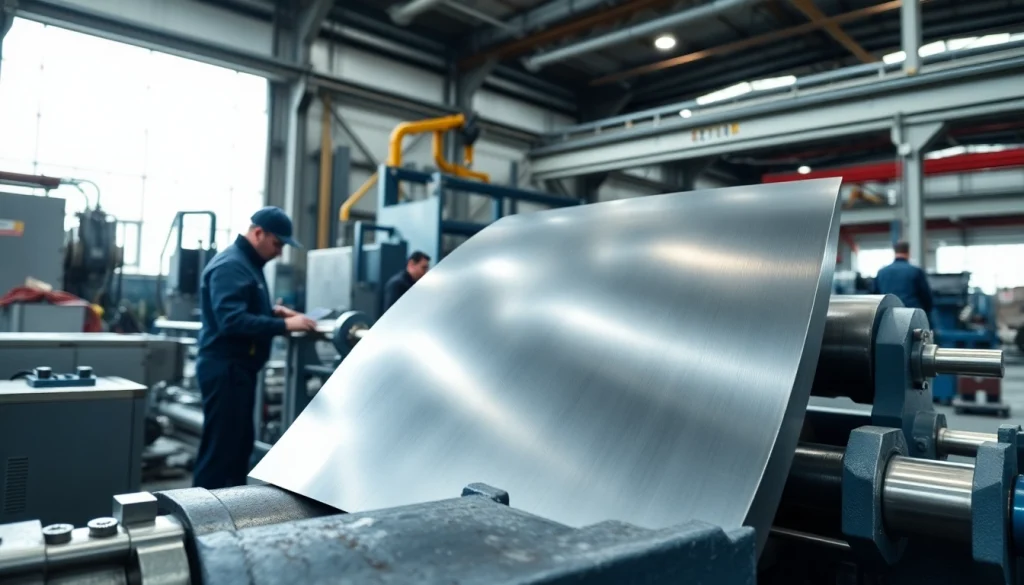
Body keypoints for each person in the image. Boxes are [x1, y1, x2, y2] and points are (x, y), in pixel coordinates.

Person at [192, 206, 317, 489]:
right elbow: (231, 321)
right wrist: (285, 326)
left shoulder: (246, 264)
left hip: (238, 371)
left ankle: (231, 517)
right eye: (277, 244)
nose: (279, 253)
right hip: (226, 370)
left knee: (237, 449)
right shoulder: (231, 266)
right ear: (258, 233)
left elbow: (241, 305)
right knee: (220, 453)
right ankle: (202, 521)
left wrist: (273, 312)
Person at [875, 241, 934, 317]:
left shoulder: (881, 272)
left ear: (895, 252)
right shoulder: (915, 271)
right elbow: (926, 296)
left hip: (888, 316)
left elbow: (875, 295)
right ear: (908, 252)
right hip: (912, 315)